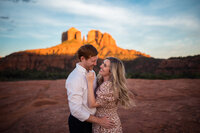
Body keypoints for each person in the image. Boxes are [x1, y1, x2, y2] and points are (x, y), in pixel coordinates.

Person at [65, 44, 115, 133]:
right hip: (80, 123)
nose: (96, 64)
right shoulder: (74, 78)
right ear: (83, 58)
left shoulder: (92, 71)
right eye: (93, 61)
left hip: (93, 121)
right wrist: (100, 121)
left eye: (96, 60)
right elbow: (75, 111)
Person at [86, 57, 135, 133]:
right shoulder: (105, 83)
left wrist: (89, 82)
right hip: (107, 122)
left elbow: (92, 104)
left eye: (105, 65)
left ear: (112, 71)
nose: (101, 66)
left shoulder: (108, 86)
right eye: (102, 63)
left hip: (107, 126)